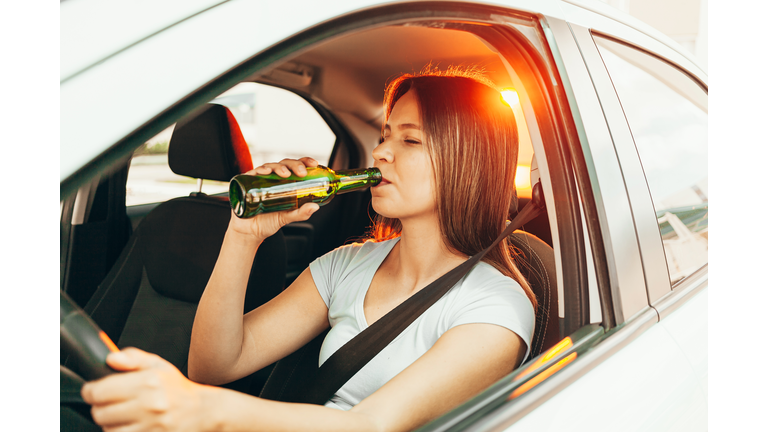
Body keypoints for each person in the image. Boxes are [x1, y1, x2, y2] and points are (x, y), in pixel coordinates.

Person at [81, 67, 537, 432]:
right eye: (385, 134)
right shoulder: (346, 264)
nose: (381, 153)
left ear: (469, 162)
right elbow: (214, 365)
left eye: (410, 140)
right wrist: (244, 236)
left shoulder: (495, 306)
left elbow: (372, 424)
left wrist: (202, 412)